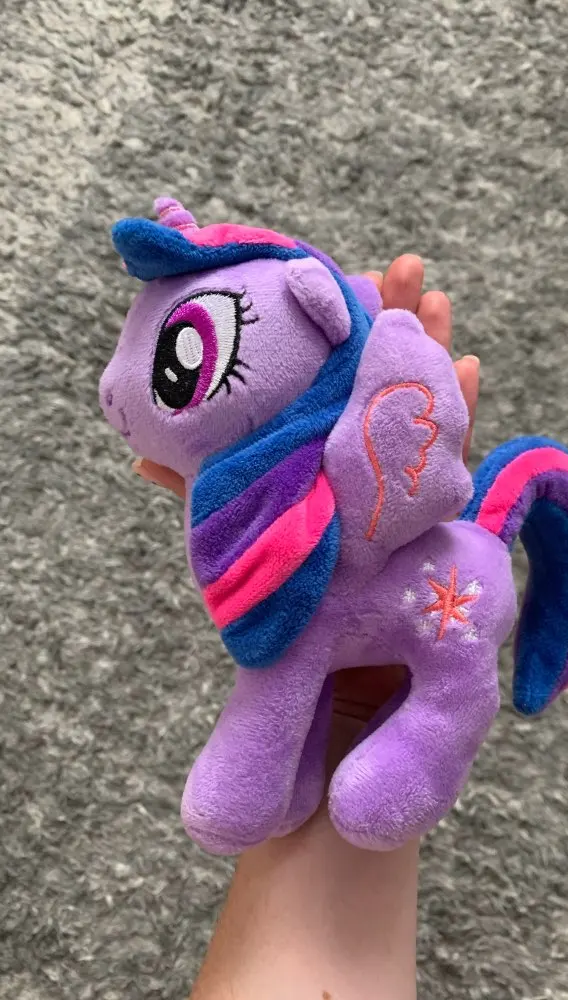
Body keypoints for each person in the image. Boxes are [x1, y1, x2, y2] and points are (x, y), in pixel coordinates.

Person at [134, 255, 481, 1000]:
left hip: (447, 599)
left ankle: (437, 723)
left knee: (391, 666)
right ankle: (297, 770)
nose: (114, 392)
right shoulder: (247, 490)